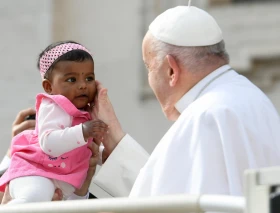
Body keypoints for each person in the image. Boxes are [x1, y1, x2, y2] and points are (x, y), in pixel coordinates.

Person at [92, 5, 280, 197]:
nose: (150, 78)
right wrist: (114, 139)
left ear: (171, 71)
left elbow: (167, 206)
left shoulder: (205, 117)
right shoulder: (251, 97)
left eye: (149, 67)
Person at [0, 41, 108, 204]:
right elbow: (49, 143)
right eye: (72, 80)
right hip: (35, 172)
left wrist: (107, 155)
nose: (82, 85)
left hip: (57, 180)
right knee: (35, 198)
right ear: (49, 87)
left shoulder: (83, 116)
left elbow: (88, 150)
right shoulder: (53, 107)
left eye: (89, 78)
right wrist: (83, 131)